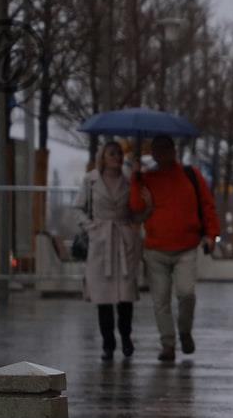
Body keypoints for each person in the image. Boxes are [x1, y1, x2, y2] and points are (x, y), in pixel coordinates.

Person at [128, 135, 219, 362]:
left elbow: (207, 205)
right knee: (160, 300)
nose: (161, 154)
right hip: (155, 249)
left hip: (186, 247)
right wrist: (136, 178)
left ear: (173, 151)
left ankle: (185, 331)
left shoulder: (191, 175)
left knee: (186, 293)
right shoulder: (147, 178)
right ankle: (167, 344)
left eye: (165, 149)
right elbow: (136, 207)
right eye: (156, 150)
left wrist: (211, 235)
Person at [75, 141, 145, 360]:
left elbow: (139, 210)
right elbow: (79, 208)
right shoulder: (91, 180)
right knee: (102, 295)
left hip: (124, 240)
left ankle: (126, 337)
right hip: (100, 241)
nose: (117, 157)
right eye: (112, 153)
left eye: (119, 153)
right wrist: (91, 227)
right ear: (102, 157)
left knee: (126, 295)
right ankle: (108, 343)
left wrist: (139, 181)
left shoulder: (129, 179)